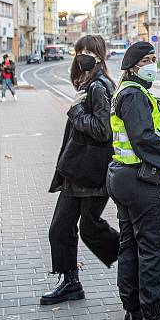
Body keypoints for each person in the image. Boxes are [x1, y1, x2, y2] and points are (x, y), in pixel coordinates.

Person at [106, 41, 160, 320]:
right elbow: (143, 139)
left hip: (124, 178)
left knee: (130, 244)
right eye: (148, 60)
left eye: (154, 58)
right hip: (141, 181)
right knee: (154, 247)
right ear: (132, 67)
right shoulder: (135, 96)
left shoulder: (127, 93)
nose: (153, 64)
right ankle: (154, 314)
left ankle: (133, 311)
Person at [42, 35, 120, 305]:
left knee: (88, 228)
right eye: (78, 51)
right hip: (79, 170)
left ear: (99, 54)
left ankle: (136, 255)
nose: (81, 56)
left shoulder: (99, 86)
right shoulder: (89, 82)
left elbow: (103, 130)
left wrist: (75, 110)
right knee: (62, 228)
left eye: (86, 51)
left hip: (91, 171)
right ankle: (70, 282)